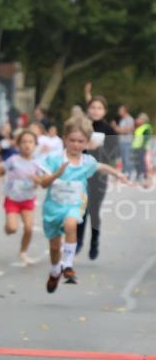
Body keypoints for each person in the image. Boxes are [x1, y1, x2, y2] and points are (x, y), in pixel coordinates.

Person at [39, 117, 128, 293]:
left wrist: (118, 174)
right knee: (54, 247)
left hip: (75, 204)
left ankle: (68, 265)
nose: (76, 145)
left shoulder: (86, 162)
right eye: (72, 140)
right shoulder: (54, 158)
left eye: (81, 141)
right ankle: (56, 270)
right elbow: (43, 183)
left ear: (87, 143)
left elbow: (101, 166)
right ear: (64, 139)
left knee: (71, 223)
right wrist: (57, 174)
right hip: (53, 208)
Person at [77, 94, 120, 259]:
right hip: (81, 174)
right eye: (93, 107)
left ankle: (94, 242)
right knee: (81, 209)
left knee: (93, 211)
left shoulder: (109, 130)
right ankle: (78, 241)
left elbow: (113, 155)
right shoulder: (81, 126)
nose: (96, 111)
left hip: (99, 175)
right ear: (88, 109)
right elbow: (71, 146)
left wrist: (98, 148)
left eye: (99, 108)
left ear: (105, 111)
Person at [0, 129, 43, 266]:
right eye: (24, 142)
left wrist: (37, 180)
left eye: (30, 142)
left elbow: (43, 180)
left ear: (35, 145)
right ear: (18, 145)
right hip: (13, 199)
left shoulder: (38, 163)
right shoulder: (13, 160)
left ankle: (23, 252)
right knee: (12, 229)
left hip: (28, 200)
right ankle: (8, 226)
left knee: (28, 228)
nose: (27, 145)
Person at [116, 104, 135, 176]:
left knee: (127, 159)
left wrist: (118, 129)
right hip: (121, 142)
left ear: (125, 111)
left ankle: (130, 175)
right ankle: (124, 174)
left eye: (120, 110)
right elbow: (120, 130)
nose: (119, 111)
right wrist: (119, 129)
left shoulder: (130, 119)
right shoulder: (122, 120)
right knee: (123, 159)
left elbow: (128, 130)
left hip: (127, 142)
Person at [132, 113, 152, 182]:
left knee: (140, 162)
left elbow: (146, 138)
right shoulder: (139, 127)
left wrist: (142, 146)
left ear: (143, 120)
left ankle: (143, 175)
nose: (137, 120)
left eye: (139, 119)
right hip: (136, 147)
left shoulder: (146, 127)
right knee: (137, 162)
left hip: (141, 148)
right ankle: (139, 175)